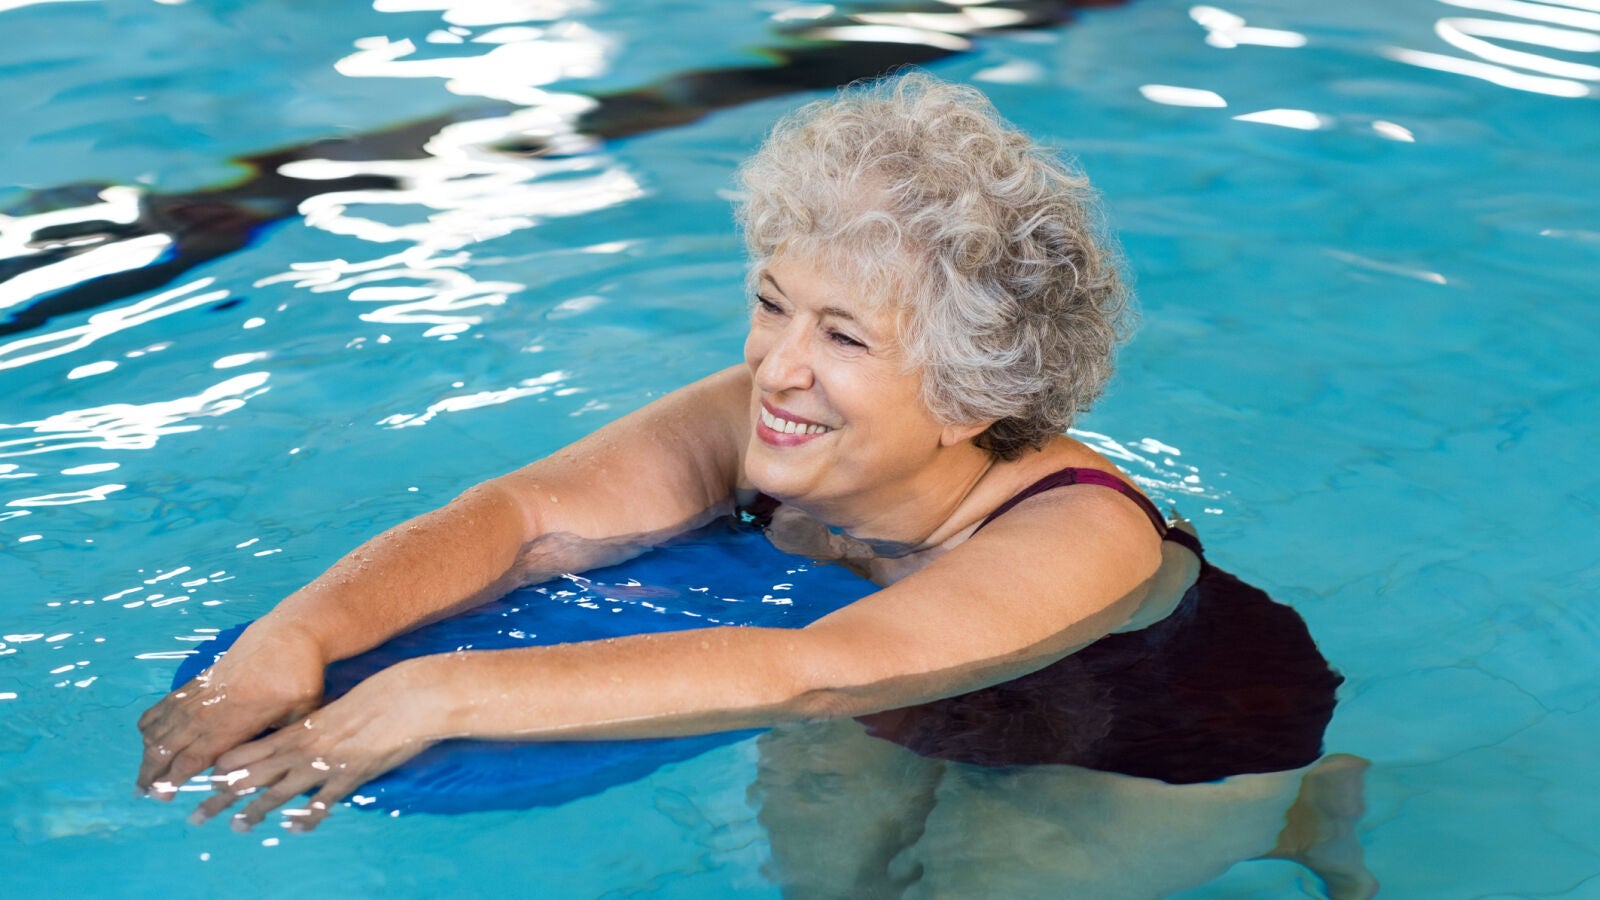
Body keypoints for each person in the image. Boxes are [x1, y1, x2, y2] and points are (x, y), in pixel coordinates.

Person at [137, 72, 1372, 897]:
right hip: (886, 683)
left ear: (970, 392)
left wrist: (441, 691)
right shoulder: (763, 418)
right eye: (773, 302)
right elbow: (517, 522)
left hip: (1150, 735)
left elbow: (810, 667)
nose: (775, 367)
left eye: (843, 337)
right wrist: (300, 636)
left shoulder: (1077, 537)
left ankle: (1303, 806)